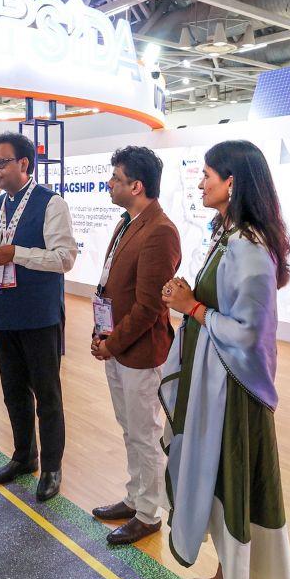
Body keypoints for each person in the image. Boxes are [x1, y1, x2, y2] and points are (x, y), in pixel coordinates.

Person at [158, 139, 290, 579]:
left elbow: (250, 332)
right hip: (215, 383)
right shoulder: (230, 237)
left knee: (232, 483)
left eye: (207, 175)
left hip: (235, 390)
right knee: (216, 479)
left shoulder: (249, 246)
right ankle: (226, 576)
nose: (200, 183)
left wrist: (192, 307)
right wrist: (190, 299)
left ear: (231, 182)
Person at [0, 132, 77, 502]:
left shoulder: (50, 203)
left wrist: (16, 253)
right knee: (13, 392)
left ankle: (53, 467)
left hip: (39, 314)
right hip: (5, 313)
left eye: (1, 162)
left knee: (48, 395)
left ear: (23, 163)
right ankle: (24, 456)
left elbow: (64, 258)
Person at [89, 146, 181, 545]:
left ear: (137, 186)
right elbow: (113, 287)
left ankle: (148, 514)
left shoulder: (160, 231)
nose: (110, 184)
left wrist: (113, 343)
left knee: (145, 433)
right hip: (117, 344)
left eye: (116, 178)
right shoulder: (128, 222)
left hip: (140, 352)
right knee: (130, 428)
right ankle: (134, 497)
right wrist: (102, 335)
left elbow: (148, 307)